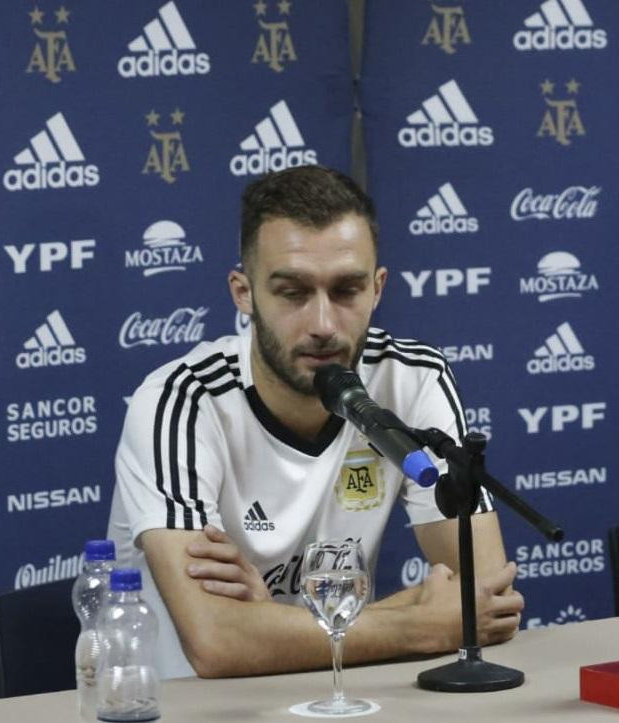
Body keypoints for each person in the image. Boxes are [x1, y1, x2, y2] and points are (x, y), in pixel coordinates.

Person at [107, 165, 523, 679]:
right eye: (292, 293)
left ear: (377, 288)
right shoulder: (180, 401)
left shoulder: (411, 378)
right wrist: (420, 624)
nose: (323, 324)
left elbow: (485, 597)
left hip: (338, 693)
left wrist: (272, 625)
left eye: (346, 290)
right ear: (243, 292)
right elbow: (216, 643)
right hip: (182, 706)